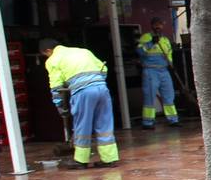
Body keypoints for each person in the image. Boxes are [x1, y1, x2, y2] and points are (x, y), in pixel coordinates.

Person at [44, 39, 119, 169]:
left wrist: (59, 104)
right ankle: (109, 159)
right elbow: (104, 69)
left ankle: (81, 161)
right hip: (102, 89)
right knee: (105, 124)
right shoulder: (83, 51)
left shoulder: (53, 60)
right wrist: (96, 81)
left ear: (48, 51)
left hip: (83, 92)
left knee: (82, 126)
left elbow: (56, 84)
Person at [137, 17, 179, 128]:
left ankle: (173, 120)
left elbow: (169, 54)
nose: (158, 27)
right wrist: (151, 43)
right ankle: (148, 122)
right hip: (151, 70)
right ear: (152, 25)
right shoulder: (146, 37)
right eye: (156, 24)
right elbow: (140, 51)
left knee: (169, 96)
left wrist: (171, 64)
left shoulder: (165, 40)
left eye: (160, 24)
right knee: (150, 96)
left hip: (164, 70)